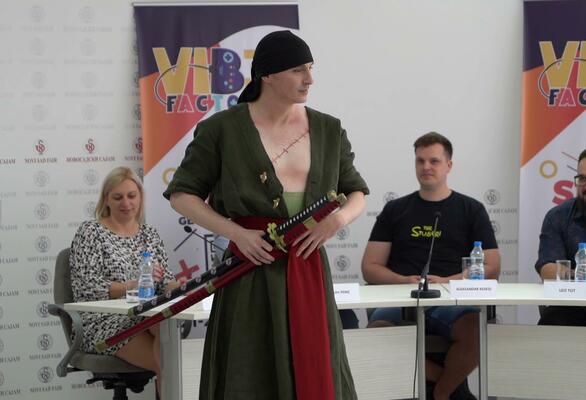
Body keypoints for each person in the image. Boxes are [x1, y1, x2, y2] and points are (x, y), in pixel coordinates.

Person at [164, 30, 368, 400]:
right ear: (267, 75)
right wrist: (236, 233)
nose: (309, 78)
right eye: (297, 70)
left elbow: (356, 192)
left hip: (308, 268)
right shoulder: (221, 130)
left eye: (310, 68)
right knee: (249, 371)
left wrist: (336, 221)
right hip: (249, 271)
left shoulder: (329, 129)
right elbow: (181, 195)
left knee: (315, 367)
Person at [361, 132, 500, 400]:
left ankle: (440, 394)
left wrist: (448, 281)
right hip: (401, 297)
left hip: (451, 299)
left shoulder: (471, 209)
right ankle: (447, 386)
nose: (426, 167)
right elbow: (370, 266)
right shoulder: (395, 209)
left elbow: (491, 266)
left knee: (476, 329)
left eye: (434, 161)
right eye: (420, 161)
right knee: (377, 335)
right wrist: (403, 281)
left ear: (449, 165)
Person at [70, 166, 180, 393]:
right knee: (167, 363)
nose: (126, 203)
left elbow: (165, 280)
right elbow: (87, 287)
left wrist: (178, 287)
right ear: (106, 200)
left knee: (166, 331)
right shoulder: (91, 232)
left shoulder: (150, 234)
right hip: (103, 321)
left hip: (145, 316)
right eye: (118, 197)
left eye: (132, 196)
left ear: (140, 198)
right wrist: (132, 286)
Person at [536, 146, 586, 325]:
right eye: (582, 179)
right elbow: (546, 269)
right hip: (568, 309)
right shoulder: (557, 216)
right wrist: (579, 274)